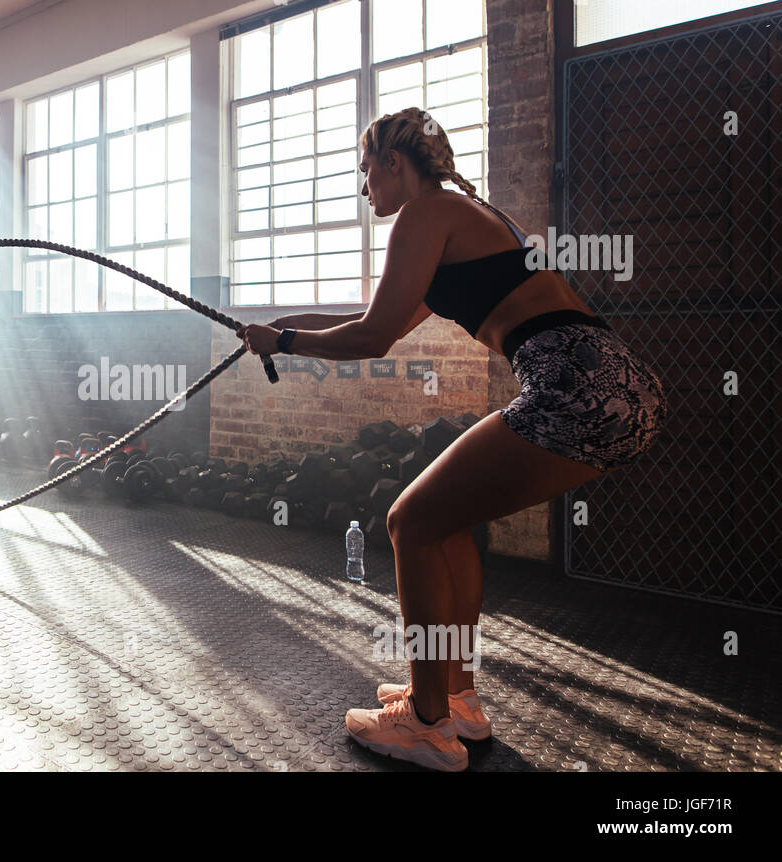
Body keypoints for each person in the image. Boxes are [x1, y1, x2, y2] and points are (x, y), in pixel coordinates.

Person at [238, 107, 667, 772]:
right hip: (622, 388)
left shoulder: (425, 214)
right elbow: (375, 320)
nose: (362, 189)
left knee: (409, 520)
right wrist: (281, 326)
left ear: (393, 162)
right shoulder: (462, 217)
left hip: (574, 386)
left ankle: (426, 721)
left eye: (365, 171)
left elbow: (372, 338)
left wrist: (287, 343)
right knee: (446, 523)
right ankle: (456, 699)